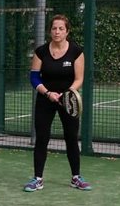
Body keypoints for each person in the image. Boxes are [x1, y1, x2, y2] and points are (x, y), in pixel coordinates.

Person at [24, 14, 91, 192]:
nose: (57, 31)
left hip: (67, 101)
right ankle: (37, 178)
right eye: (54, 28)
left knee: (71, 138)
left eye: (61, 28)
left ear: (67, 31)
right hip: (45, 100)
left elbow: (79, 79)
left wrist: (66, 94)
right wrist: (48, 93)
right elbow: (34, 77)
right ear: (50, 31)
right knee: (42, 139)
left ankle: (76, 177)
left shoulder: (76, 52)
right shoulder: (41, 52)